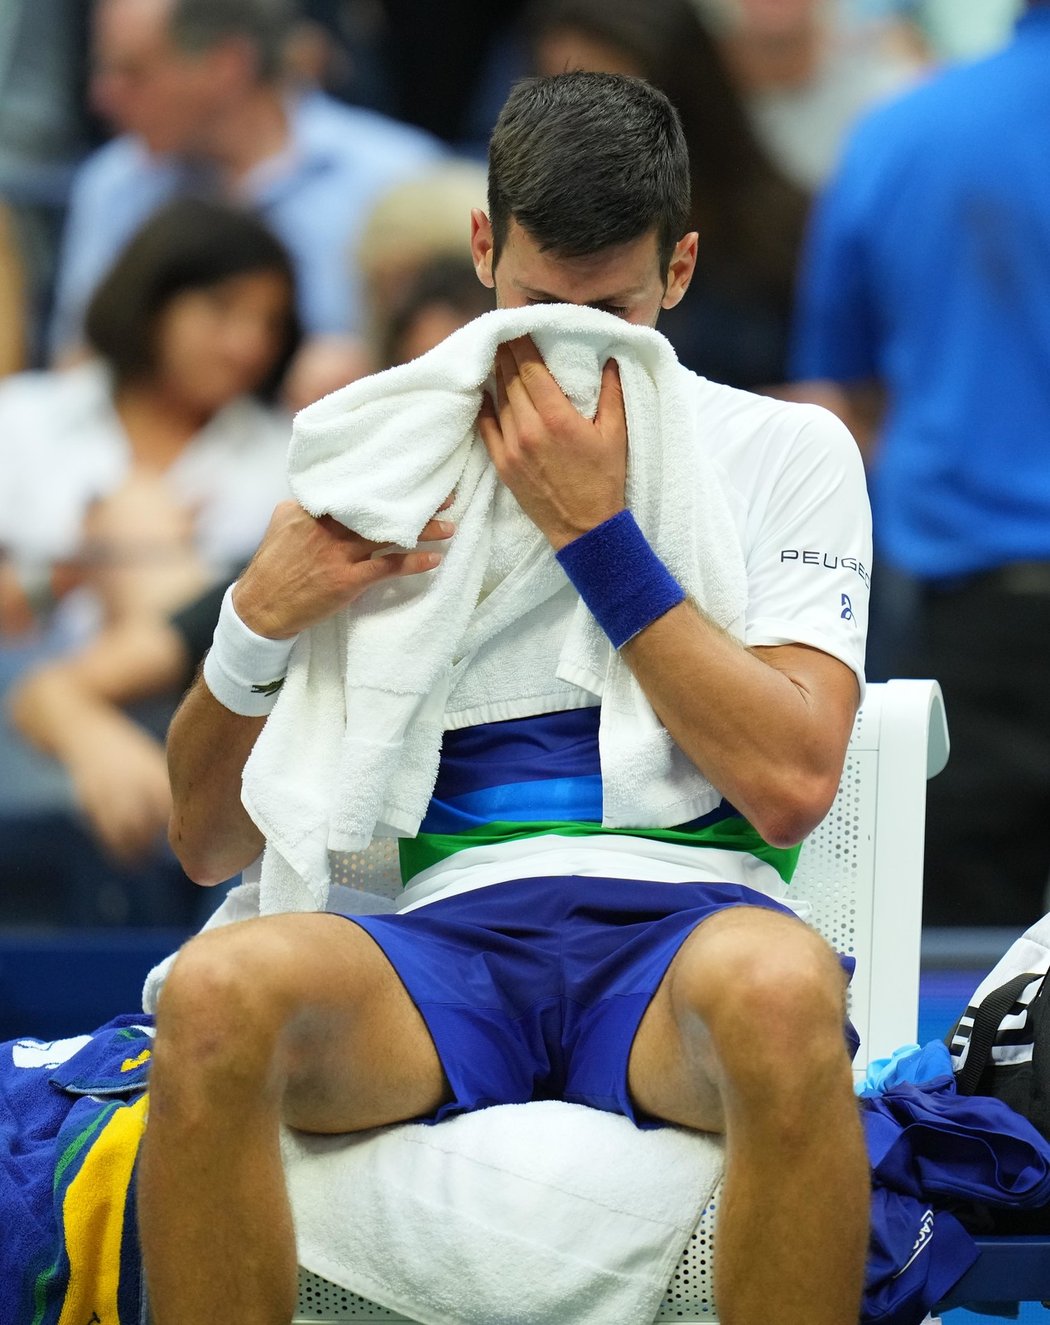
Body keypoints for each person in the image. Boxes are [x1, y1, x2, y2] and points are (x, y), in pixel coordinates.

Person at [144, 72, 872, 1322]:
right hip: (423, 940)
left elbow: (796, 781)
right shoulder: (373, 462)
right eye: (538, 306)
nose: (572, 353)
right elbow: (205, 840)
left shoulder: (785, 451)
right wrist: (255, 620)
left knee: (786, 992)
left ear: (682, 271)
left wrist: (600, 536)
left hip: (683, 930)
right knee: (211, 997)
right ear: (482, 249)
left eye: (616, 312)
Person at [789, 0, 1050, 929]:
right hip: (964, 606)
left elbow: (843, 378)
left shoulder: (904, 134)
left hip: (973, 612)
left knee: (973, 979)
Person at [0, 196, 299, 926]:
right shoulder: (24, 420)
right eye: (223, 310)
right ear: (153, 299)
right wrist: (75, 566)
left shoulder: (283, 455)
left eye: (268, 323)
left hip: (200, 728)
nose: (246, 345)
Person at [48, 0, 443, 393]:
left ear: (227, 64)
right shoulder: (113, 184)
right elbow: (79, 364)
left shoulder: (399, 176)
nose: (102, 95)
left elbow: (450, 356)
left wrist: (367, 371)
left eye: (133, 72)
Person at [516, 0, 811, 389]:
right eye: (553, 99)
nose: (571, 132)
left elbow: (833, 401)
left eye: (603, 108)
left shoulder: (785, 239)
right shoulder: (517, 244)